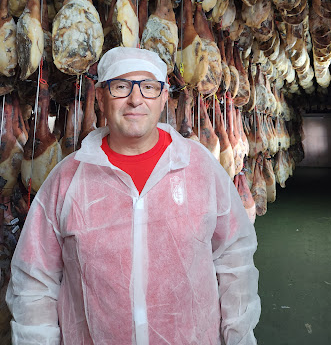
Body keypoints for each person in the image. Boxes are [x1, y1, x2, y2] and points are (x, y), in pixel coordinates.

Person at [6, 46, 261, 345]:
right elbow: (35, 281)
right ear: (100, 98)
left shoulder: (200, 167)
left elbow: (235, 261)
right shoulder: (67, 178)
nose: (135, 99)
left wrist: (240, 337)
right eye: (121, 86)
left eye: (149, 87)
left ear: (164, 97)